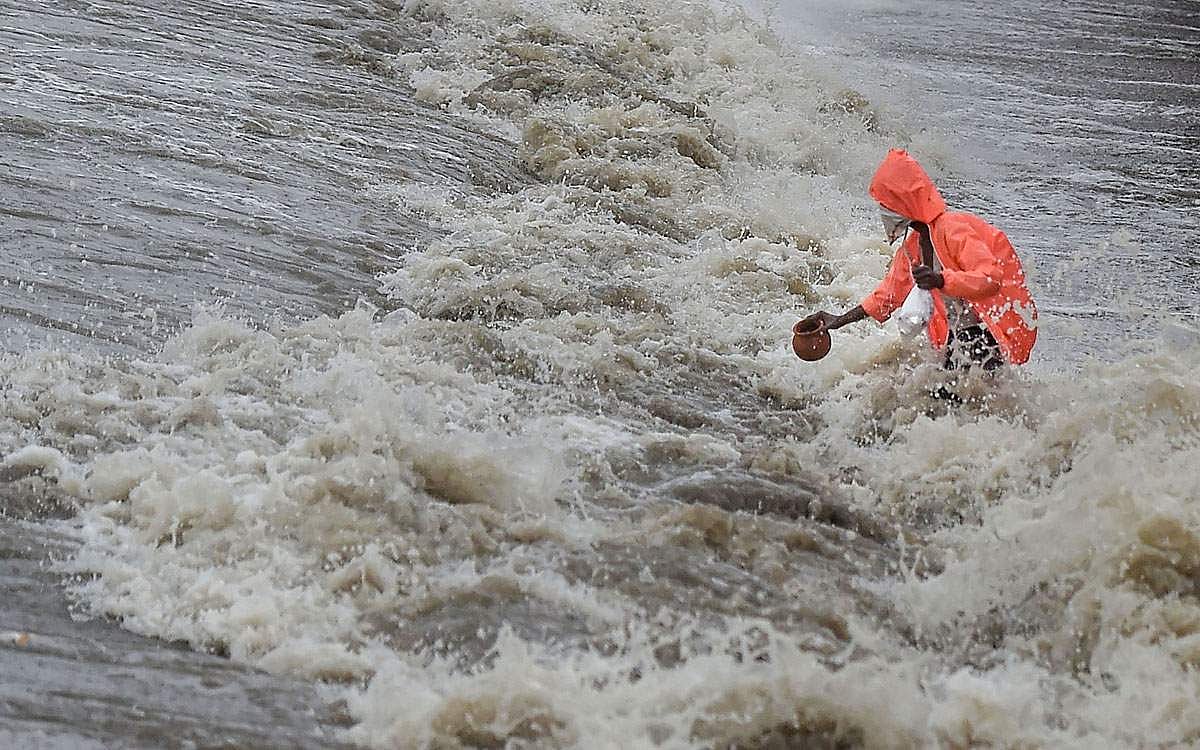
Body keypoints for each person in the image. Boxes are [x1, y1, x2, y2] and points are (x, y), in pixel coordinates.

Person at [805, 149, 1037, 370]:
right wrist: (839, 320)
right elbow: (887, 296)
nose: (883, 211)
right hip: (958, 335)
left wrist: (941, 280)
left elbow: (990, 278)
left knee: (953, 386)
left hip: (989, 330)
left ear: (903, 202)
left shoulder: (953, 229)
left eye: (885, 203)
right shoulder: (913, 247)